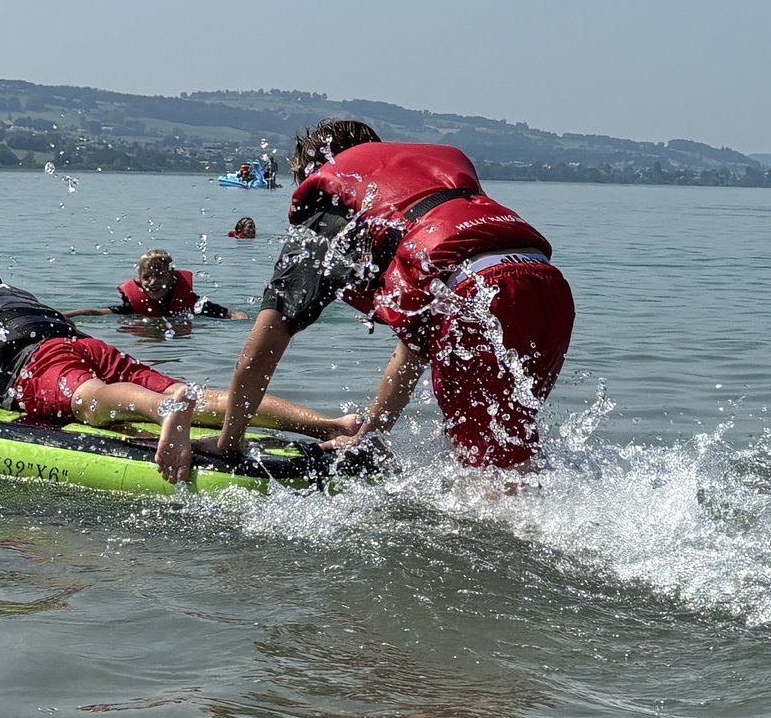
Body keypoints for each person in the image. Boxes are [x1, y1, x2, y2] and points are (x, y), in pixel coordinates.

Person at [0, 237, 358, 479]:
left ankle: (165, 410)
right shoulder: (13, 294)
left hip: (38, 365)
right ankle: (332, 424)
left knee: (90, 401)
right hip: (81, 342)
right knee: (206, 397)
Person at [199, 119, 575, 474]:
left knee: (494, 472)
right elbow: (414, 348)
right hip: (548, 288)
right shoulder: (422, 191)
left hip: (480, 294)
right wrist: (372, 436)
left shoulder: (333, 203)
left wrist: (229, 442)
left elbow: (262, 346)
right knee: (505, 444)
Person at [64, 248, 248, 321]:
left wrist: (243, 320)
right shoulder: (133, 306)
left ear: (171, 277)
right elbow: (95, 312)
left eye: (160, 276)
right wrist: (61, 315)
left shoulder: (193, 303)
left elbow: (231, 314)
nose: (153, 283)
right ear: (139, 279)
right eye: (147, 277)